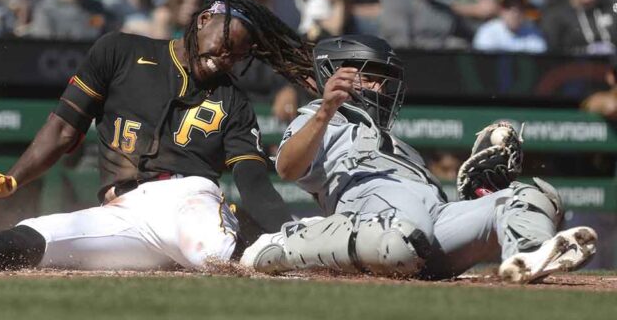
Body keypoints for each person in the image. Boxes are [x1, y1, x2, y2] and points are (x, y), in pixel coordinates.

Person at [0, 0, 317, 272]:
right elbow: (63, 129)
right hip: (121, 213)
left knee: (215, 255)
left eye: (239, 55)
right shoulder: (120, 51)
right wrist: (12, 180)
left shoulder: (233, 100)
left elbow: (254, 183)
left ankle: (314, 249)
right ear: (204, 20)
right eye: (227, 43)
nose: (227, 58)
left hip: (189, 198)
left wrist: (291, 233)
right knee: (41, 236)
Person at [241, 35, 598, 284]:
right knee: (402, 240)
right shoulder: (322, 115)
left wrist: (482, 194)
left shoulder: (400, 145)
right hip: (374, 211)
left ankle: (529, 256)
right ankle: (287, 243)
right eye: (370, 77)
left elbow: (431, 205)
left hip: (433, 221)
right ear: (337, 72)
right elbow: (287, 168)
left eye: (384, 80)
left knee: (535, 196)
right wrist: (325, 110)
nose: (381, 88)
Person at [472, 0, 546, 53]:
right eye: (509, 8)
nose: (515, 14)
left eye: (520, 9)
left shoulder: (534, 33)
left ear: (524, 13)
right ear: (501, 11)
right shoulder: (487, 31)